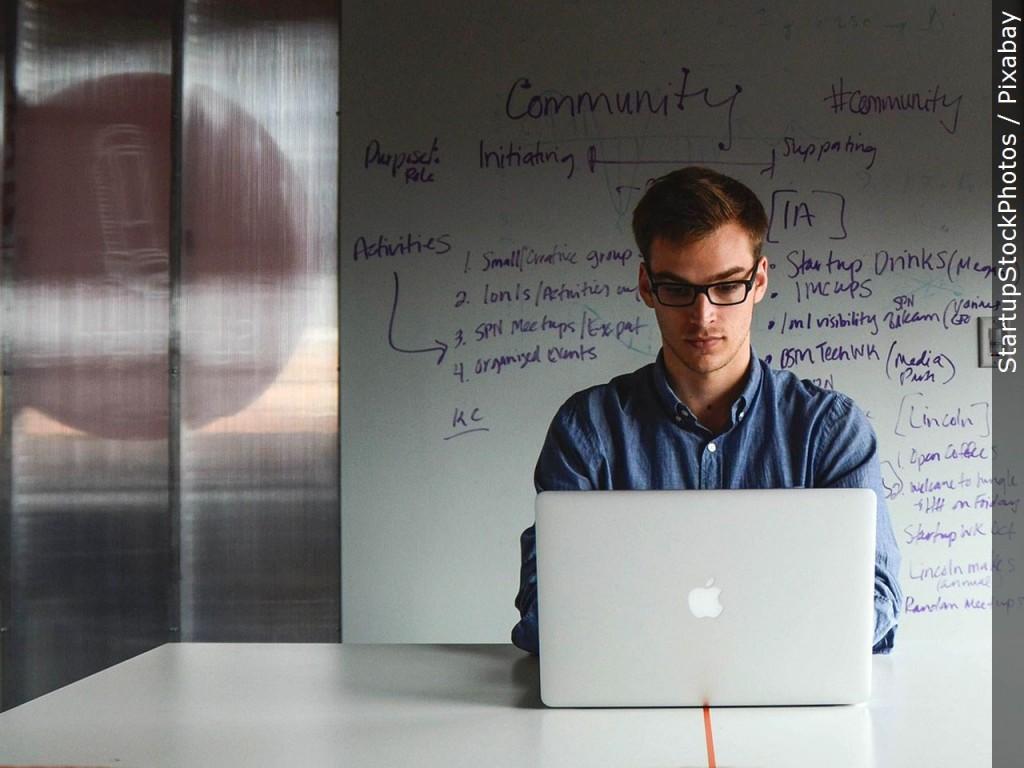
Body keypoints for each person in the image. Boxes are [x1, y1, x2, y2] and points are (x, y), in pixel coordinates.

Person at [512, 166, 903, 655]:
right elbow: (544, 611)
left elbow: (877, 598)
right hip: (625, 705)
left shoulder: (830, 431)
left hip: (790, 703)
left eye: (726, 286)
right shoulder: (586, 430)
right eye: (678, 289)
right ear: (647, 286)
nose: (703, 316)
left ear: (759, 280)